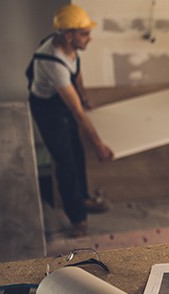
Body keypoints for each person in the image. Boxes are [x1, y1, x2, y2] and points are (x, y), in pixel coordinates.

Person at [27, 4, 114, 237]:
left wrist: (83, 96)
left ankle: (83, 199)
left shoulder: (69, 46)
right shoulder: (52, 61)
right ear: (68, 36)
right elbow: (77, 113)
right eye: (85, 34)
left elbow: (75, 70)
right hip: (48, 110)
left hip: (62, 100)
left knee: (76, 152)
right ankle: (77, 220)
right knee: (65, 163)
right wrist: (99, 145)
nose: (90, 38)